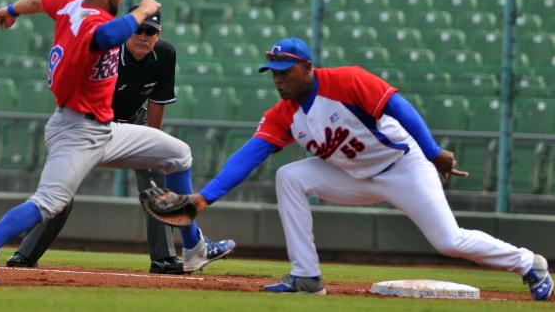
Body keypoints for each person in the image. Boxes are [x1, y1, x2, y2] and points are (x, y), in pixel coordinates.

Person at [183, 37, 553, 300]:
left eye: (286, 70)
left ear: (308, 68)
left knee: (448, 241)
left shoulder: (345, 81)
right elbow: (249, 155)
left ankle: (529, 263)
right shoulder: (284, 115)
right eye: (274, 72)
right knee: (289, 176)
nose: (278, 78)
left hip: (403, 167)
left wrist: (433, 150)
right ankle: (306, 276)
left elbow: (399, 107)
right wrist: (203, 199)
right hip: (352, 176)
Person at [0, 0, 234, 285]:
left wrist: (11, 11)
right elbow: (105, 38)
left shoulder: (70, 3)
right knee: (49, 202)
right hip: (77, 130)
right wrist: (142, 10)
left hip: (107, 128)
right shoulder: (95, 25)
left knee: (179, 154)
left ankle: (194, 247)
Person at [6, 7, 187, 274]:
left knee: (156, 177)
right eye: (138, 29)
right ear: (127, 32)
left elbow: (157, 103)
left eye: (151, 32)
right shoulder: (108, 53)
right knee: (60, 190)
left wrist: (152, 145)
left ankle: (163, 258)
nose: (144, 36)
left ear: (158, 36)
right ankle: (26, 253)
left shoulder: (165, 55)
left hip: (133, 120)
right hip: (88, 122)